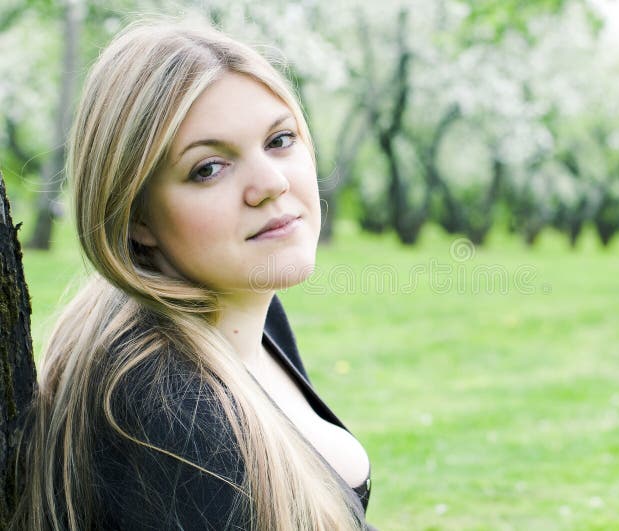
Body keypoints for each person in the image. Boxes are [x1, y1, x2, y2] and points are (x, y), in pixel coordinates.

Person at [10, 19, 375, 531]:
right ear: (136, 218)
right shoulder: (170, 420)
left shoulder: (250, 315)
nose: (270, 184)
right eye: (208, 168)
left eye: (280, 139)